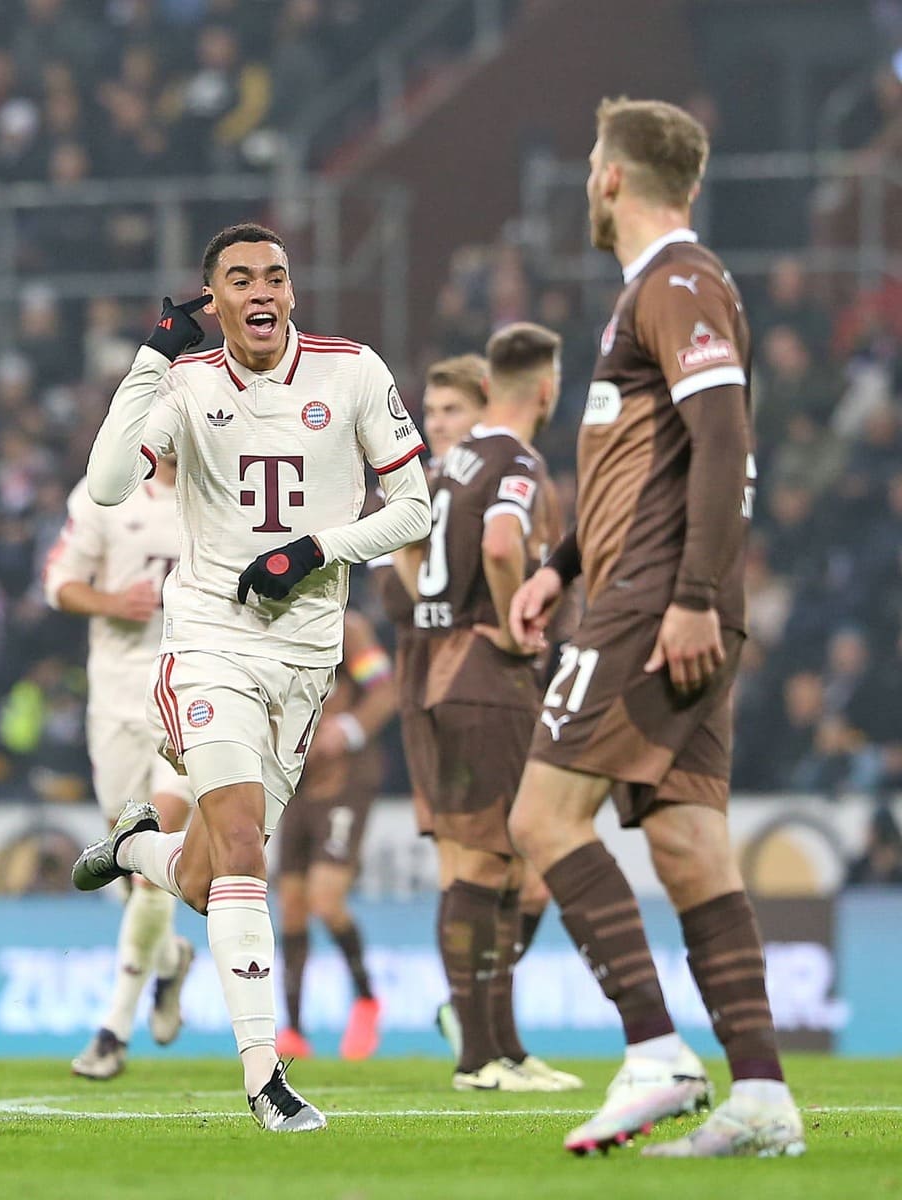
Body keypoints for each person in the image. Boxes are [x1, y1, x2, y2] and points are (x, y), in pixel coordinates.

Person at [71, 222, 431, 1132]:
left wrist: (314, 550)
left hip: (307, 657)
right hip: (208, 642)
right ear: (216, 301)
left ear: (292, 293)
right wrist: (152, 357)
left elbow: (416, 509)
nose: (261, 290)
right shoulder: (187, 386)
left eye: (275, 275)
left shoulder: (353, 372)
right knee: (242, 846)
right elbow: (109, 483)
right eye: (240, 279)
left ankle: (133, 850)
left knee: (204, 877)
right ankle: (266, 1079)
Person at [507, 97, 805, 1158]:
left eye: (594, 160)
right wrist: (559, 564)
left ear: (613, 179)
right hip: (648, 588)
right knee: (687, 847)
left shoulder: (677, 282)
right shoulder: (656, 293)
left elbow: (722, 439)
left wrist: (688, 596)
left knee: (541, 821)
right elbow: (649, 466)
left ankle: (653, 1053)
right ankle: (762, 1095)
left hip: (657, 602)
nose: (589, 177)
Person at [394, 324, 581, 1095]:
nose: (437, 420)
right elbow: (504, 548)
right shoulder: (514, 461)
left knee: (503, 868)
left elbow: (407, 550)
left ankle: (500, 1045)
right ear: (545, 387)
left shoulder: (445, 471)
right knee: (484, 866)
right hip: (482, 674)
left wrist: (439, 612)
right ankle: (479, 1054)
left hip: (442, 668)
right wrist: (516, 627)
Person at [43, 458, 195, 1081]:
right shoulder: (104, 493)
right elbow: (58, 583)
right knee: (127, 862)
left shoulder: (224, 483)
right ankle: (169, 961)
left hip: (190, 692)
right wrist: (111, 600)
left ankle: (114, 1029)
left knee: (154, 849)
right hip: (115, 697)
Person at [274, 606, 397, 1062]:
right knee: (290, 904)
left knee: (326, 900)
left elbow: (385, 691)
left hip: (344, 782)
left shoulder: (349, 628)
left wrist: (346, 730)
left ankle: (366, 1000)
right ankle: (293, 1030)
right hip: (295, 781)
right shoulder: (271, 624)